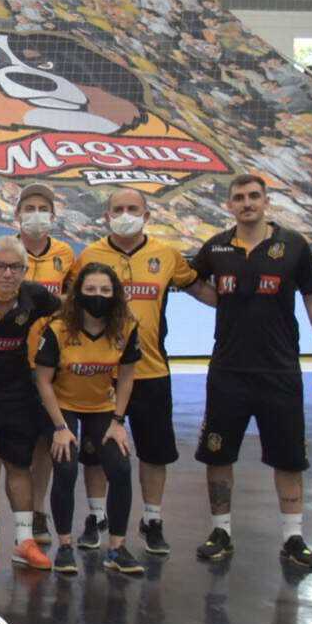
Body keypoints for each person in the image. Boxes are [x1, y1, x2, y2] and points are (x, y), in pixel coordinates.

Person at [187, 174, 312, 571]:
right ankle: (221, 532)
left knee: (289, 459)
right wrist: (213, 297)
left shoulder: (293, 245)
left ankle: (293, 538)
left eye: (254, 196)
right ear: (229, 205)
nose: (247, 202)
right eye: (239, 197)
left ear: (266, 201)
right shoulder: (216, 246)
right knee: (218, 455)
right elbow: (194, 283)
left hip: (279, 371)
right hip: (228, 371)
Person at [77, 187, 197, 557]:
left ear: (146, 215)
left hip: (151, 370)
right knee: (95, 451)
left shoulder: (167, 255)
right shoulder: (90, 255)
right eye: (118, 209)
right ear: (106, 216)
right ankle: (96, 516)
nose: (125, 214)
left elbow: (201, 288)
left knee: (154, 452)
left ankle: (152, 519)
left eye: (132, 208)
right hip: (100, 372)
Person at [34, 262, 144, 577]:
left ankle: (117, 548)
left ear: (116, 294)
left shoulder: (126, 327)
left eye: (105, 290)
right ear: (79, 292)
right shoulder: (57, 329)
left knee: (121, 468)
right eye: (91, 289)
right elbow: (42, 380)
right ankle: (65, 546)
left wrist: (119, 421)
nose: (98, 295)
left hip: (102, 407)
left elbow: (126, 377)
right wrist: (59, 428)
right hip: (63, 404)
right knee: (66, 466)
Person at [0, 237, 60, 571]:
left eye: (15, 267)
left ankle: (24, 540)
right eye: (0, 266)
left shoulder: (37, 297)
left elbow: (71, 316)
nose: (7, 274)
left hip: (18, 393)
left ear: (25, 270)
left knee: (20, 466)